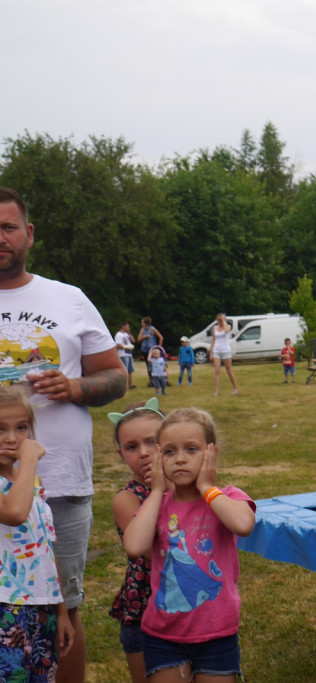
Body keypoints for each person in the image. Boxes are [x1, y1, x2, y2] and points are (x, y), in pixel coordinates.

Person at [0, 186, 128, 683]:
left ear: (28, 234)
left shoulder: (68, 299)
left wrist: (74, 386)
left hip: (60, 482)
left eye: (8, 228)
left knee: (63, 608)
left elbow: (115, 376)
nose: (0, 239)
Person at [123, 407, 256, 683]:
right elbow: (134, 546)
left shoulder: (226, 496)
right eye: (169, 452)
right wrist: (157, 490)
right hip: (163, 634)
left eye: (191, 449)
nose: (180, 459)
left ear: (211, 453)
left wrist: (208, 488)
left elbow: (243, 524)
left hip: (217, 633)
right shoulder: (157, 504)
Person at [0, 387, 74, 681]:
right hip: (6, 607)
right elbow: (15, 513)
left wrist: (62, 610)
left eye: (22, 428)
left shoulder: (32, 482)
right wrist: (29, 459)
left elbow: (44, 547)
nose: (12, 438)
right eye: (0, 428)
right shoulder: (24, 480)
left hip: (42, 607)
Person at [107, 398, 163, 683]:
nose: (144, 453)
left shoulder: (192, 489)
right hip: (145, 610)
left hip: (194, 607)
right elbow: (157, 552)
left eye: (152, 442)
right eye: (132, 447)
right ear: (121, 454)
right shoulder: (127, 499)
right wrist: (159, 491)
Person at [211, 313, 238, 396]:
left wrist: (224, 321)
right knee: (217, 371)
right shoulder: (215, 328)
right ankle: (216, 391)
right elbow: (213, 340)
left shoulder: (228, 326)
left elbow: (226, 331)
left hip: (226, 350)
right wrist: (211, 352)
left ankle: (235, 388)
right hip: (217, 350)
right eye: (219, 320)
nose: (220, 321)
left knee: (229, 370)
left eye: (221, 319)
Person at [137, 318, 163, 388]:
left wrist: (158, 348)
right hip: (145, 350)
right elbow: (138, 339)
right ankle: (151, 381)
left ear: (145, 323)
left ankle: (157, 380)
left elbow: (161, 337)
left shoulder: (152, 329)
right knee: (148, 366)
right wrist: (144, 337)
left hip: (152, 350)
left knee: (154, 365)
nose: (141, 324)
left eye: (142, 322)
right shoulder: (142, 329)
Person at [115, 322, 137, 390]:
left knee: (130, 371)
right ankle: (122, 386)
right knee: (124, 371)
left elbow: (133, 341)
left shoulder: (126, 334)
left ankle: (130, 385)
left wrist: (129, 333)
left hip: (129, 354)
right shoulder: (118, 335)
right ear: (123, 326)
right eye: (127, 327)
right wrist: (127, 347)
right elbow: (118, 345)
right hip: (123, 355)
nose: (128, 328)